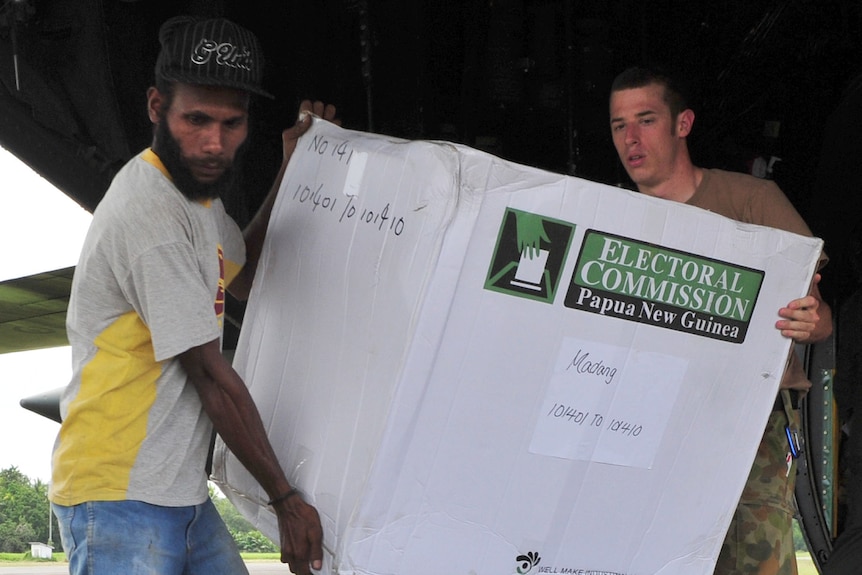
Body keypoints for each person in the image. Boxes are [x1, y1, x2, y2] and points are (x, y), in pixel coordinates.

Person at [48, 15, 336, 575]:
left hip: (179, 494)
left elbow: (244, 273)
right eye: (196, 120)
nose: (213, 142)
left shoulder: (199, 204)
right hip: (118, 495)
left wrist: (292, 169)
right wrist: (285, 500)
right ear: (157, 108)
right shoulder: (151, 211)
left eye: (232, 123)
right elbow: (209, 373)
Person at [608, 66, 833, 575]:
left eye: (645, 120)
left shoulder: (752, 200)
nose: (631, 139)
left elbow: (819, 322)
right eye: (619, 125)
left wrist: (812, 322)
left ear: (682, 123)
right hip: (644, 411)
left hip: (748, 419)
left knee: (755, 555)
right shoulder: (608, 214)